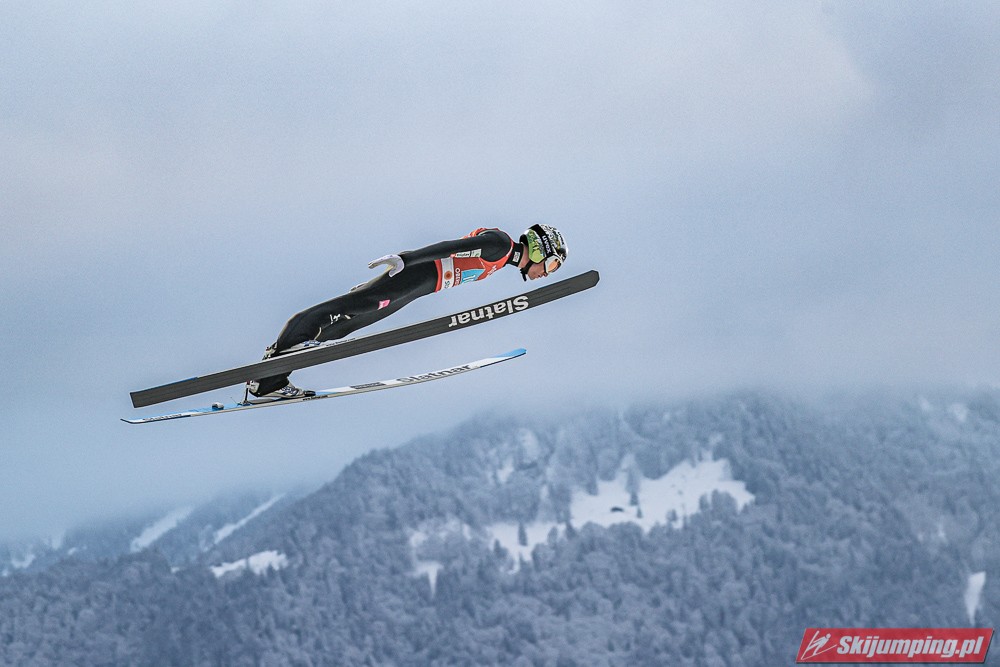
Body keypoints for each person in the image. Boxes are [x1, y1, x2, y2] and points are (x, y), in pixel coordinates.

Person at [246, 224, 568, 399]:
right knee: (351, 307)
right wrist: (406, 258)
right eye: (552, 264)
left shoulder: (503, 258)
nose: (547, 273)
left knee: (350, 323)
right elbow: (450, 247)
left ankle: (270, 380)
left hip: (422, 286)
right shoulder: (501, 244)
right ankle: (284, 349)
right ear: (539, 249)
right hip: (417, 273)